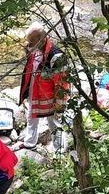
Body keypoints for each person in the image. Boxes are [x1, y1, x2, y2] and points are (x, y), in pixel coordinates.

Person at [15, 22, 70, 152]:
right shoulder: (36, 50)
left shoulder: (56, 56)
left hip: (49, 97)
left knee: (54, 123)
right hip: (36, 93)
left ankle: (60, 150)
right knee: (31, 118)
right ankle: (29, 142)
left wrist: (60, 103)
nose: (29, 46)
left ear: (41, 39)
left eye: (31, 43)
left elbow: (62, 83)